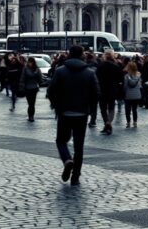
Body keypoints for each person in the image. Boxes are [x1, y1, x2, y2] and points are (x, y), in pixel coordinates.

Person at [47, 46, 100, 186]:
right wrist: (90, 109)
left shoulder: (60, 71)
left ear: (69, 55)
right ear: (82, 55)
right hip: (82, 113)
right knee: (79, 146)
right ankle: (75, 176)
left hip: (64, 112)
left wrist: (56, 105)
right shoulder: (89, 73)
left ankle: (67, 160)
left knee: (61, 141)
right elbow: (96, 93)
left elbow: (51, 91)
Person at [95, 51, 123, 135]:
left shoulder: (100, 66)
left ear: (105, 57)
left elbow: (96, 78)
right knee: (111, 107)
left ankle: (106, 123)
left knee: (103, 108)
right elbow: (120, 79)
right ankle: (109, 123)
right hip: (112, 89)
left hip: (102, 89)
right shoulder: (116, 66)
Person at [19, 57, 43, 122]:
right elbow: (22, 78)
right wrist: (21, 87)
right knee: (30, 103)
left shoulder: (37, 69)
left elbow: (40, 78)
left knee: (32, 103)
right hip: (27, 88)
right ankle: (30, 116)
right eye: (29, 62)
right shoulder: (25, 69)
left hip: (34, 88)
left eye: (31, 62)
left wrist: (41, 82)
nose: (30, 63)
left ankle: (31, 116)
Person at [123, 62, 142, 128]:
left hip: (128, 94)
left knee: (127, 109)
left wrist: (124, 92)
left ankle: (128, 122)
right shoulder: (139, 75)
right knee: (135, 109)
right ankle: (135, 122)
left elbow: (125, 86)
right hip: (137, 95)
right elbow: (140, 85)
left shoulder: (126, 76)